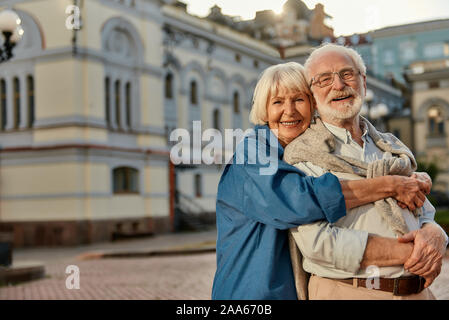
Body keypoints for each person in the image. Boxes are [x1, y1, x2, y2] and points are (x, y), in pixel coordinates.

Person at [211, 62, 432, 300]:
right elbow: (297, 200)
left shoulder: (308, 152)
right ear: (263, 110)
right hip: (252, 294)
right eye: (277, 102)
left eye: (299, 100)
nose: (289, 111)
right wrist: (389, 185)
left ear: (313, 104)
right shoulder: (252, 153)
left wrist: (413, 185)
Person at [284, 43, 448, 300]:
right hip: (348, 292)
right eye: (324, 79)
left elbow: (423, 211)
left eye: (347, 74)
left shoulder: (392, 147)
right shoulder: (302, 154)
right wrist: (413, 252)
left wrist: (435, 233)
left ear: (363, 81)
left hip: (418, 293)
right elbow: (317, 243)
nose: (338, 85)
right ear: (311, 94)